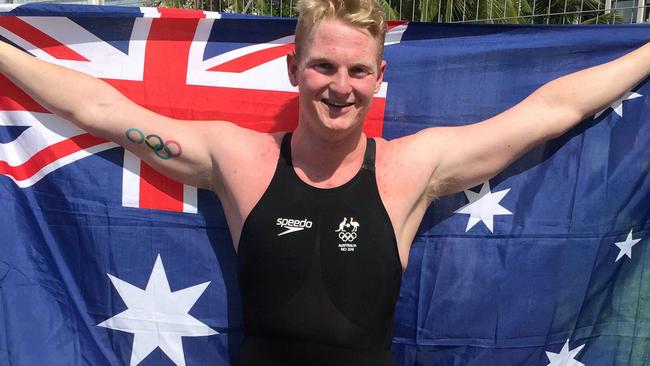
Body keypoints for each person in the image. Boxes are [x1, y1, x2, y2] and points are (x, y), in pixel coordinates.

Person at [0, 0, 648, 364]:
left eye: (358, 71)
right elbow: (104, 112)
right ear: (293, 69)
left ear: (379, 76)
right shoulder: (240, 159)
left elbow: (550, 112)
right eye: (323, 66)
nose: (340, 87)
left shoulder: (409, 171)